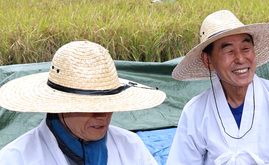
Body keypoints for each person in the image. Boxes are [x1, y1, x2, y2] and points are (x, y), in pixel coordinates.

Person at [167, 10, 269, 164]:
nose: (240, 59)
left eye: (245, 49)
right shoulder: (195, 111)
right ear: (208, 60)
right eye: (229, 51)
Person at [0, 40, 166, 164]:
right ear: (61, 107)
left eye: (108, 104)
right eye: (90, 106)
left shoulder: (131, 146)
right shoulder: (16, 158)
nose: (102, 116)